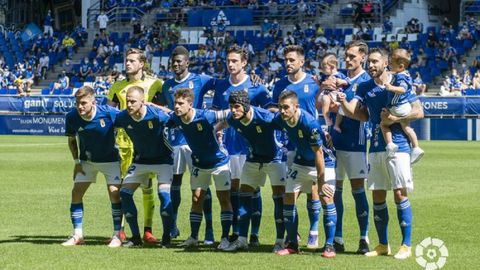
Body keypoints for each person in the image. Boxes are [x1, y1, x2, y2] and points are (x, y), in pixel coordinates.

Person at [338, 47, 424, 259]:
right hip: (375, 146)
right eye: (369, 62)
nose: (371, 65)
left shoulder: (399, 82)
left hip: (399, 145)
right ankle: (383, 244)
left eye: (375, 61)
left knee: (399, 193)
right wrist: (342, 102)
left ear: (386, 63)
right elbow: (360, 114)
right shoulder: (365, 87)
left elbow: (419, 111)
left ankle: (406, 244)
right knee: (377, 195)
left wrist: (395, 120)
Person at [212, 45, 271, 246]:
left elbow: (269, 111)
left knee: (253, 190)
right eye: (228, 61)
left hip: (250, 146)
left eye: (235, 61)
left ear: (244, 63)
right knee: (233, 189)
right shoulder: (221, 86)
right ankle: (238, 231)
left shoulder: (257, 86)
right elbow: (216, 112)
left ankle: (254, 233)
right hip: (228, 145)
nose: (230, 64)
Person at [158, 46, 216, 244]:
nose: (176, 64)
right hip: (174, 142)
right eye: (173, 61)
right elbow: (165, 110)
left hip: (195, 142)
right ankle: (173, 226)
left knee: (200, 188)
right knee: (175, 184)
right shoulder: (166, 85)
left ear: (187, 62)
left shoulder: (201, 79)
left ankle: (209, 229)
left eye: (179, 61)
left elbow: (223, 85)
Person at [107, 48, 163, 244]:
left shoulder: (155, 84)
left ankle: (148, 229)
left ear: (142, 63)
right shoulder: (117, 87)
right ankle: (120, 229)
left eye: (132, 61)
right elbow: (109, 114)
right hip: (122, 144)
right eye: (126, 60)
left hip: (145, 143)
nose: (127, 63)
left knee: (147, 187)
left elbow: (163, 110)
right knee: (122, 188)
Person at [165, 88, 232, 250]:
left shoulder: (205, 115)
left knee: (223, 199)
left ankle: (224, 238)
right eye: (176, 103)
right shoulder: (176, 117)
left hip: (219, 163)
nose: (177, 106)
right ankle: (194, 237)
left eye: (181, 103)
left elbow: (229, 114)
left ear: (190, 104)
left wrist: (219, 128)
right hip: (199, 164)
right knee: (196, 199)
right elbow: (165, 115)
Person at [320, 40, 371, 254]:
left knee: (358, 191)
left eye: (352, 56)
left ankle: (363, 238)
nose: (348, 60)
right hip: (335, 142)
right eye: (346, 56)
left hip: (356, 144)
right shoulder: (337, 78)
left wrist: (343, 102)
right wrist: (323, 89)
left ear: (363, 57)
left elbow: (364, 115)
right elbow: (321, 104)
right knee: (335, 192)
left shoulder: (367, 81)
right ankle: (337, 238)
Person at [273, 91, 337, 258]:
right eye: (280, 107)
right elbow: (270, 117)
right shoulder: (281, 118)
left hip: (324, 163)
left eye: (286, 107)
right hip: (301, 162)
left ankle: (329, 246)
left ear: (296, 107)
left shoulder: (310, 124)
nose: (282, 111)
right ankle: (293, 244)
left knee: (326, 197)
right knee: (288, 198)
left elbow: (319, 154)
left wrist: (322, 182)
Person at [220, 91, 286, 253]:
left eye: (236, 106)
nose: (233, 110)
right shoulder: (232, 119)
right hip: (253, 159)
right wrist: (215, 131)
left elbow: (286, 124)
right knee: (244, 196)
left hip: (274, 159)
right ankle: (242, 240)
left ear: (246, 106)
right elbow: (222, 124)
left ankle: (280, 241)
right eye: (231, 107)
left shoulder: (265, 117)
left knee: (279, 199)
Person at [271, 45, 322, 250]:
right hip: (290, 145)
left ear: (302, 62)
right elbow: (272, 108)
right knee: (290, 193)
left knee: (314, 190)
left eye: (292, 60)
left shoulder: (314, 82)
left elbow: (324, 103)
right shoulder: (280, 85)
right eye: (286, 60)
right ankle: (293, 234)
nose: (288, 63)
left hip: (311, 142)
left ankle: (314, 231)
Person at [62, 86, 122, 247]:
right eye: (77, 103)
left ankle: (117, 235)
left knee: (114, 194)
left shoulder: (109, 112)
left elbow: (129, 124)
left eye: (83, 103)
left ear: (93, 102)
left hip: (111, 161)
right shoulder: (72, 117)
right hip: (86, 162)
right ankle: (78, 235)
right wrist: (76, 162)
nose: (80, 107)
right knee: (76, 193)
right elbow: (72, 140)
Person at [114, 86, 173, 247]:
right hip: (140, 161)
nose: (129, 105)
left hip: (164, 160)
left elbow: (176, 118)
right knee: (125, 194)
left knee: (164, 195)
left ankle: (167, 237)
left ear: (143, 102)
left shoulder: (157, 116)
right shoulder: (123, 117)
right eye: (127, 101)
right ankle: (136, 238)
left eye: (133, 101)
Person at [380, 49, 424, 164]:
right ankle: (416, 147)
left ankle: (390, 144)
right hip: (404, 107)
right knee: (407, 128)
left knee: (384, 125)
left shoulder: (401, 77)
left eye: (391, 65)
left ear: (400, 66)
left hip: (398, 107)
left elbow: (402, 89)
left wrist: (390, 87)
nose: (389, 67)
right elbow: (395, 73)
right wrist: (389, 73)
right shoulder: (405, 73)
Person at [318, 53, 349, 132]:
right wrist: (317, 82)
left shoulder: (340, 75)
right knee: (325, 98)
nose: (322, 69)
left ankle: (336, 125)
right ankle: (326, 118)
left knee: (341, 107)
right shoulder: (325, 77)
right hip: (328, 95)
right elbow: (321, 85)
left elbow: (348, 81)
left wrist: (343, 81)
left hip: (337, 96)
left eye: (324, 67)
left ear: (332, 67)